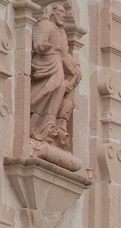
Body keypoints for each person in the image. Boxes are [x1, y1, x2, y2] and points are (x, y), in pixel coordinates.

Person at [29, 2, 81, 148]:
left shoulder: (61, 32)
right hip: (47, 63)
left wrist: (75, 68)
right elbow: (39, 43)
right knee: (52, 86)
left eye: (65, 13)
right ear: (52, 12)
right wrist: (46, 46)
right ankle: (38, 125)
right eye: (60, 12)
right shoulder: (45, 25)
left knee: (61, 87)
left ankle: (49, 125)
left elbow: (65, 54)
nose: (63, 16)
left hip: (57, 63)